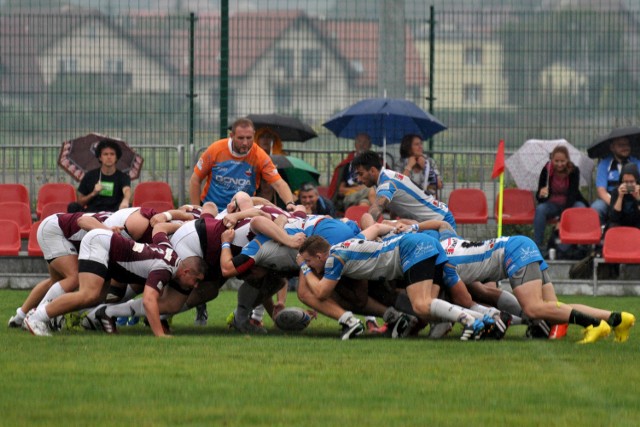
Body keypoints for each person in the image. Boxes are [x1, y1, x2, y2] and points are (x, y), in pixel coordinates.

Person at [433, 225, 635, 344]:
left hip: (514, 251)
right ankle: (618, 319)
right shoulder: (445, 240)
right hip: (521, 244)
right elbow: (441, 223)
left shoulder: (443, 262)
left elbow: (465, 300)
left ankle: (594, 324)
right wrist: (413, 225)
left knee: (534, 309)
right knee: (553, 308)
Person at [297, 230, 489, 341]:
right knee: (427, 308)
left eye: (310, 261)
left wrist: (303, 269)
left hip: (410, 248)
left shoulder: (332, 259)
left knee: (420, 305)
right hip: (425, 242)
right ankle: (484, 318)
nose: (310, 266)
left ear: (319, 256)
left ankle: (469, 321)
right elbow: (374, 228)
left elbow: (321, 292)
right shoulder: (344, 246)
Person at [23, 226, 206, 337]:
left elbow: (159, 228)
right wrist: (159, 335)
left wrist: (175, 217)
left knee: (96, 298)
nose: (196, 286)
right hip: (101, 244)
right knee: (89, 294)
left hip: (105, 246)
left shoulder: (170, 251)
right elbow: (149, 300)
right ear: (186, 271)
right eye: (196, 280)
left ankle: (38, 313)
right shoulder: (166, 269)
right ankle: (37, 317)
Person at [189, 117, 296, 213]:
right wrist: (196, 209)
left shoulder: (260, 156)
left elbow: (279, 183)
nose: (245, 142)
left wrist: (290, 203)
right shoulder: (215, 149)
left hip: (241, 210)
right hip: (211, 209)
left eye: (249, 138)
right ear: (232, 136)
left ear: (254, 135)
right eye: (240, 138)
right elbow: (195, 180)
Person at [352, 150, 456, 229]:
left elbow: (374, 212)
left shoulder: (387, 183)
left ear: (373, 171)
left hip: (441, 221)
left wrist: (366, 233)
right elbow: (395, 206)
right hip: (429, 222)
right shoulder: (382, 179)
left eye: (361, 174)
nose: (359, 179)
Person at [534, 145, 588, 253]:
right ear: (552, 160)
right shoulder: (546, 170)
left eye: (562, 161)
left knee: (581, 208)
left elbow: (572, 195)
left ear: (567, 160)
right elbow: (539, 197)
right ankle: (537, 246)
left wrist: (561, 219)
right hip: (552, 204)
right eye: (556, 161)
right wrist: (541, 194)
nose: (559, 164)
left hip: (570, 203)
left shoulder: (573, 171)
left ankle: (581, 244)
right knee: (540, 209)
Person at [591, 136, 640, 224]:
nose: (625, 147)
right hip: (610, 197)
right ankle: (601, 233)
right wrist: (615, 202)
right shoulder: (604, 164)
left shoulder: (636, 162)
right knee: (596, 208)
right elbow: (601, 190)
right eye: (621, 145)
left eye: (627, 144)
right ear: (612, 147)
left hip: (633, 197)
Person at [75, 139, 132, 212]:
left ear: (116, 157)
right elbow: (80, 202)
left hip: (114, 212)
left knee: (129, 207)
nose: (109, 157)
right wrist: (93, 193)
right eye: (105, 154)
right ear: (100, 157)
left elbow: (127, 190)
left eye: (112, 154)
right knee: (73, 207)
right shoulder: (90, 176)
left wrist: (126, 200)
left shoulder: (123, 176)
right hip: (93, 212)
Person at [328, 133, 374, 210]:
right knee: (371, 190)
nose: (362, 145)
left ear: (370, 145)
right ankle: (381, 215)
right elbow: (340, 190)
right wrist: (359, 189)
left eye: (365, 142)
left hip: (366, 198)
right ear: (355, 144)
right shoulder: (347, 164)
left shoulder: (375, 163)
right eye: (359, 142)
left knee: (364, 203)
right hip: (350, 196)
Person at [608, 163, 640, 228]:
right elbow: (614, 218)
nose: (629, 185)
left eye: (631, 182)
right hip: (620, 223)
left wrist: (638, 199)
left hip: (636, 223)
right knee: (612, 225)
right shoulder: (616, 191)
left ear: (636, 181)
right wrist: (620, 197)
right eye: (626, 182)